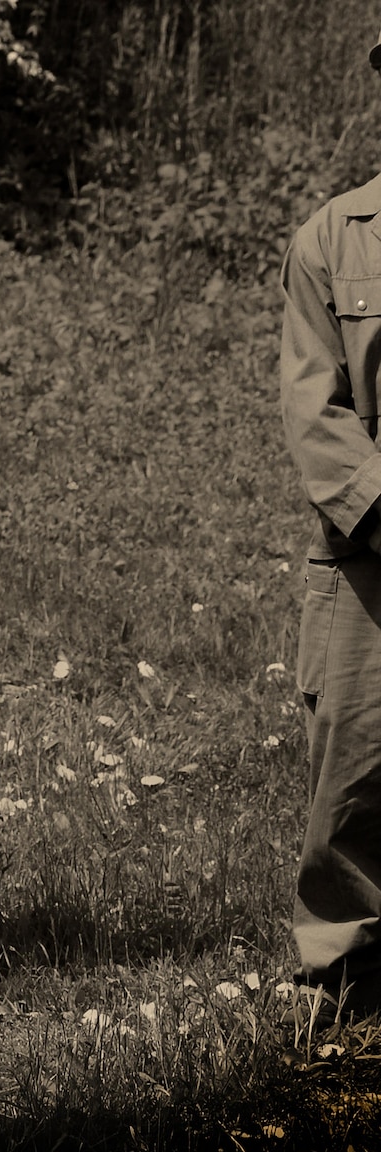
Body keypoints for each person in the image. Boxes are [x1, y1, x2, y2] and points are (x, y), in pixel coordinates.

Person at [280, 29, 381, 1024]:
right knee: (351, 778)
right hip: (366, 560)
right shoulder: (333, 235)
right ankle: (339, 990)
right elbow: (313, 405)